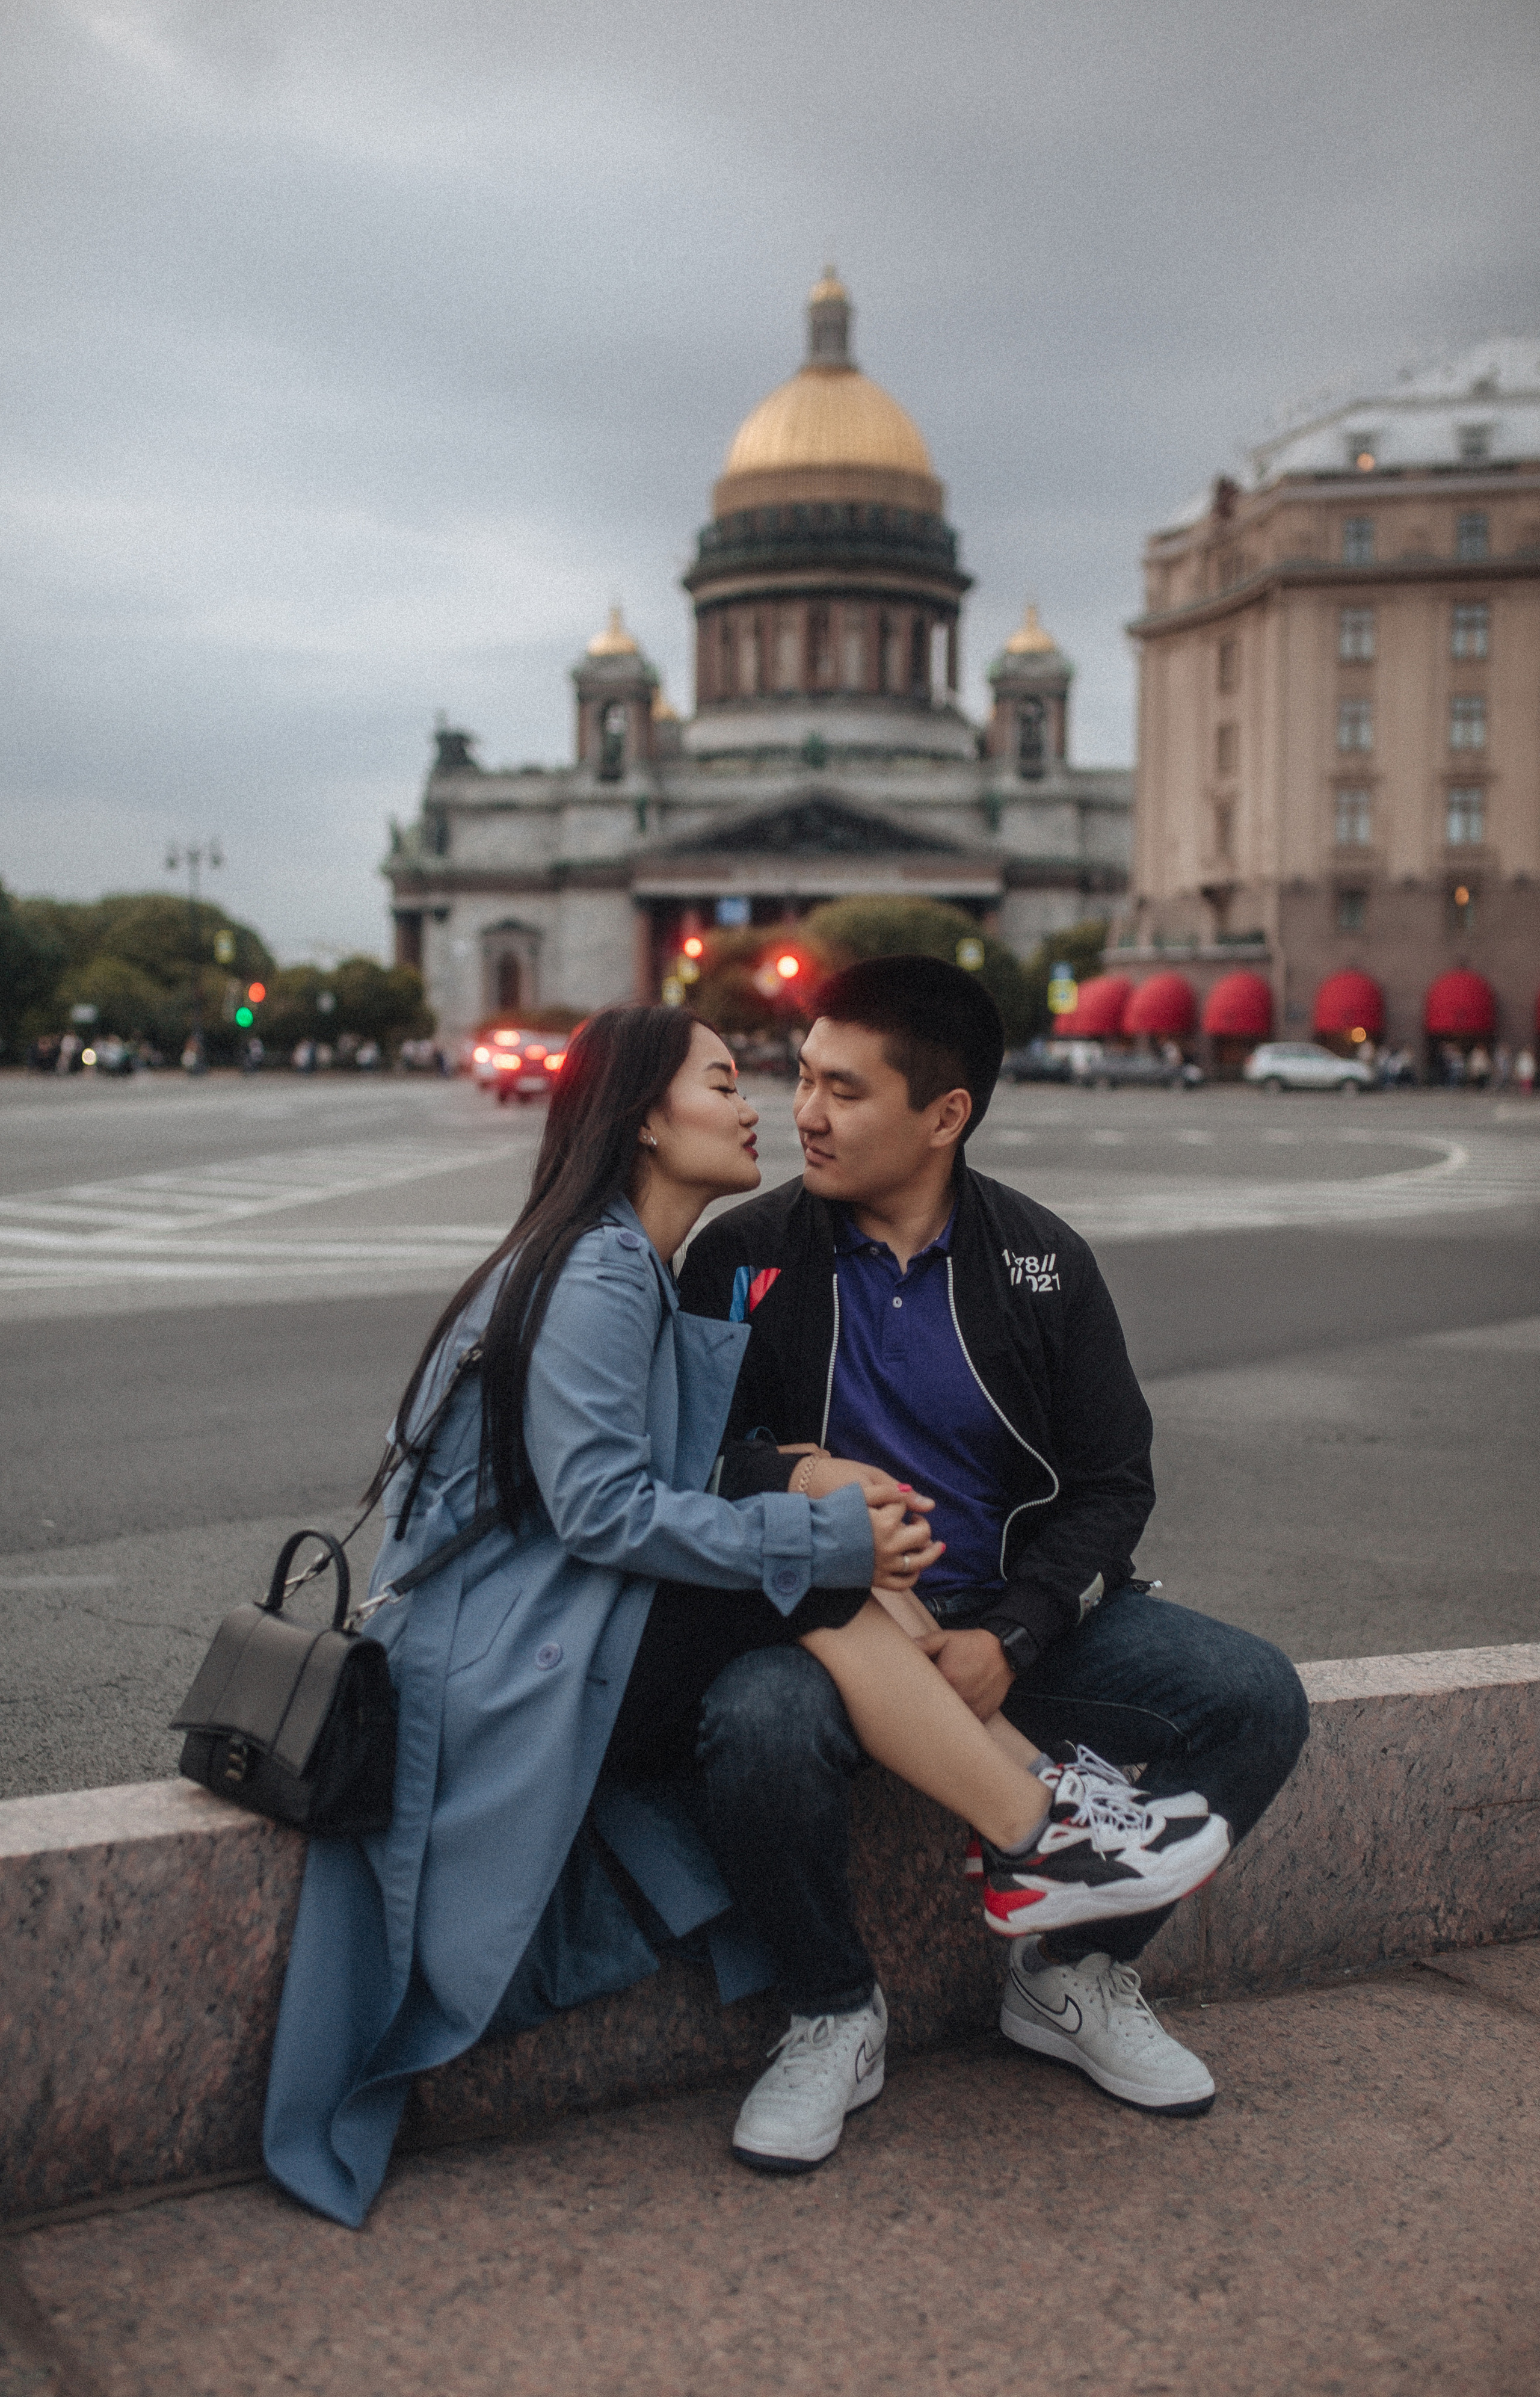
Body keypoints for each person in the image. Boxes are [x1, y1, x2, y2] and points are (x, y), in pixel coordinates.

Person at [263, 1003, 1221, 2225]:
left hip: (543, 1625)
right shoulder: (603, 1268)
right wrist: (824, 1530)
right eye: (722, 1084)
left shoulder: (627, 1261)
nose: (756, 1105)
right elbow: (605, 1512)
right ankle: (1035, 1830)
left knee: (836, 1564)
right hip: (498, 1657)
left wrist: (813, 1489)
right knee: (819, 1571)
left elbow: (658, 1491)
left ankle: (1051, 1827)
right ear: (648, 1118)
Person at [676, 956, 1310, 2161]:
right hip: (824, 1626)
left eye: (845, 1092)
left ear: (944, 1116)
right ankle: (829, 2011)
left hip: (1016, 1618)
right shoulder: (742, 1256)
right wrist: (796, 1477)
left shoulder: (1041, 1261)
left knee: (1254, 1696)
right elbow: (692, 1462)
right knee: (753, 1724)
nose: (804, 1113)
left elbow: (1112, 1481)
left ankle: (1068, 1976)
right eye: (801, 1079)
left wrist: (1012, 1633)